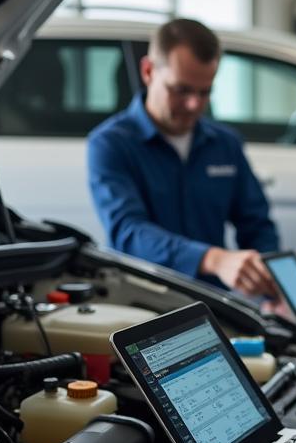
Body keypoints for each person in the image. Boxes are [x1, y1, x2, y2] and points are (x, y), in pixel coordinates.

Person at [88, 18, 279, 296]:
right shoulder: (110, 144)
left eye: (205, 92)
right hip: (142, 304)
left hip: (214, 302)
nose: (194, 105)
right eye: (181, 90)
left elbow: (257, 225)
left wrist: (272, 286)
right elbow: (128, 232)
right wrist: (213, 259)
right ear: (148, 71)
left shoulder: (225, 144)